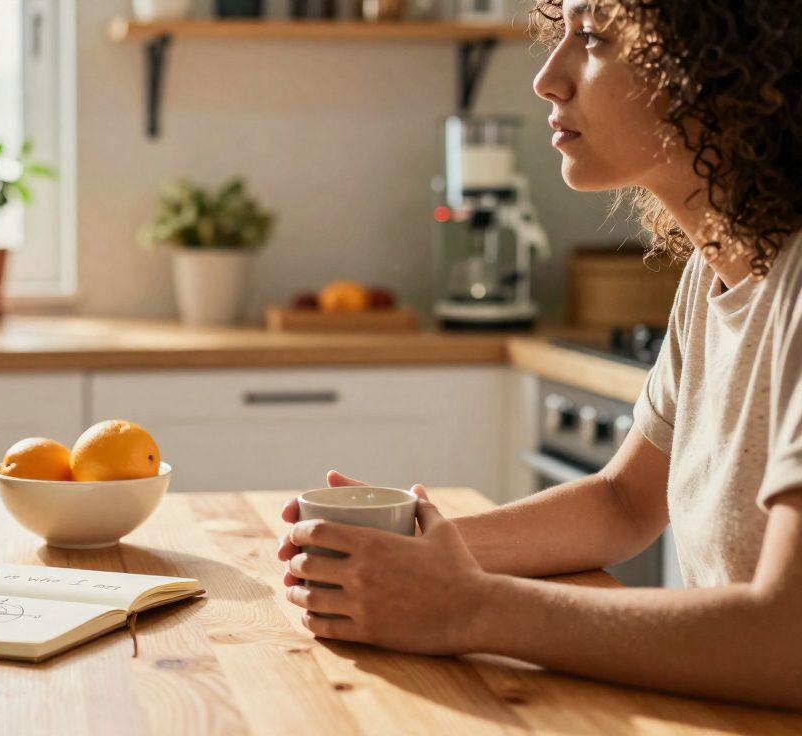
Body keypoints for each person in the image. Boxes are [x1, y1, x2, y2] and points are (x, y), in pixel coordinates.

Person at [279, 0, 802, 711]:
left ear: (717, 69)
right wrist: (405, 550)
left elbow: (785, 638)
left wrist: (469, 609)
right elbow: (621, 504)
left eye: (592, 39)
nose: (548, 79)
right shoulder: (711, 276)